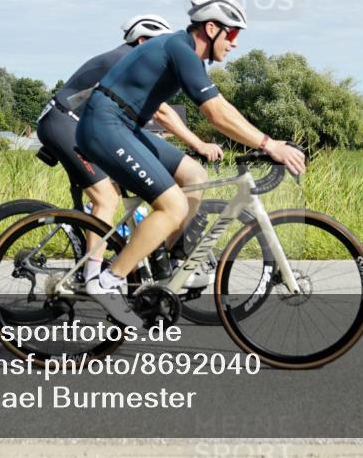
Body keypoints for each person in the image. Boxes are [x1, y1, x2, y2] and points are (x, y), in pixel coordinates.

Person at [77, 0, 306, 327]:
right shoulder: (180, 49)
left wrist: (268, 141)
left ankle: (165, 264)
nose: (235, 43)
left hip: (124, 125)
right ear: (211, 28)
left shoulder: (189, 56)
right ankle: (107, 281)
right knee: (173, 207)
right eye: (233, 34)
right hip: (104, 124)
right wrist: (269, 145)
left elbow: (223, 106)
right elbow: (215, 114)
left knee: (194, 175)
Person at [36, 14, 223, 283]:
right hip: (64, 122)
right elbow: (162, 113)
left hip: (95, 126)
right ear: (143, 41)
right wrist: (199, 143)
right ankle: (94, 277)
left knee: (186, 176)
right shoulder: (126, 60)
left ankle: (161, 263)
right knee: (106, 198)